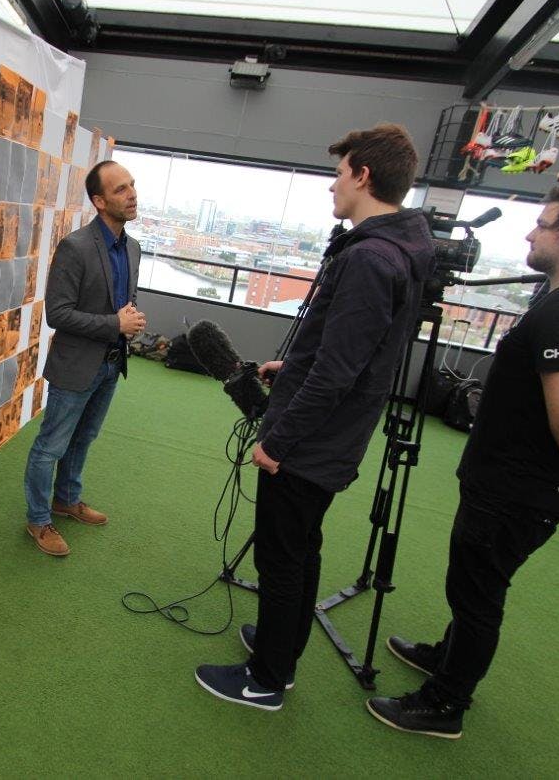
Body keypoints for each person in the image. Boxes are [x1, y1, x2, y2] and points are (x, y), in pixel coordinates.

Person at [367, 187, 559, 739]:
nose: (529, 234)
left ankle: (445, 704)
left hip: (520, 487)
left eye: (543, 225)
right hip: (516, 481)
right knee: (475, 585)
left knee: (478, 593)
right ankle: (449, 658)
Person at [195, 123, 435, 710]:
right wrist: (293, 362)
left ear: (363, 176)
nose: (333, 185)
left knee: (282, 557)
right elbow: (348, 349)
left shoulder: (372, 258)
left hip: (309, 445)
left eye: (339, 172)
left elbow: (338, 372)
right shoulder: (404, 244)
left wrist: (279, 441)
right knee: (300, 549)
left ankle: (266, 678)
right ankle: (284, 645)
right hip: (331, 439)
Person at [22, 160, 143, 557]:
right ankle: (39, 520)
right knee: (51, 445)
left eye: (132, 186)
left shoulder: (132, 247)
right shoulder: (75, 247)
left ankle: (66, 500)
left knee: (84, 438)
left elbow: (122, 302)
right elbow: (57, 313)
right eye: (121, 189)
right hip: (76, 366)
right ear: (99, 200)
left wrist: (129, 321)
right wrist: (114, 323)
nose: (132, 195)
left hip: (111, 364)